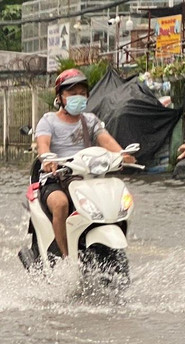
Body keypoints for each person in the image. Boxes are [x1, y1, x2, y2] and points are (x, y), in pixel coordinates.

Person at [33, 68, 132, 259]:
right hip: (56, 178)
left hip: (88, 178)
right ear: (60, 96)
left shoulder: (91, 121)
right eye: (72, 94)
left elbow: (107, 141)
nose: (78, 97)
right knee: (61, 204)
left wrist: (123, 155)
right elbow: (43, 145)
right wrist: (48, 159)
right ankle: (64, 256)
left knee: (115, 203)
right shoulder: (49, 120)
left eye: (82, 94)